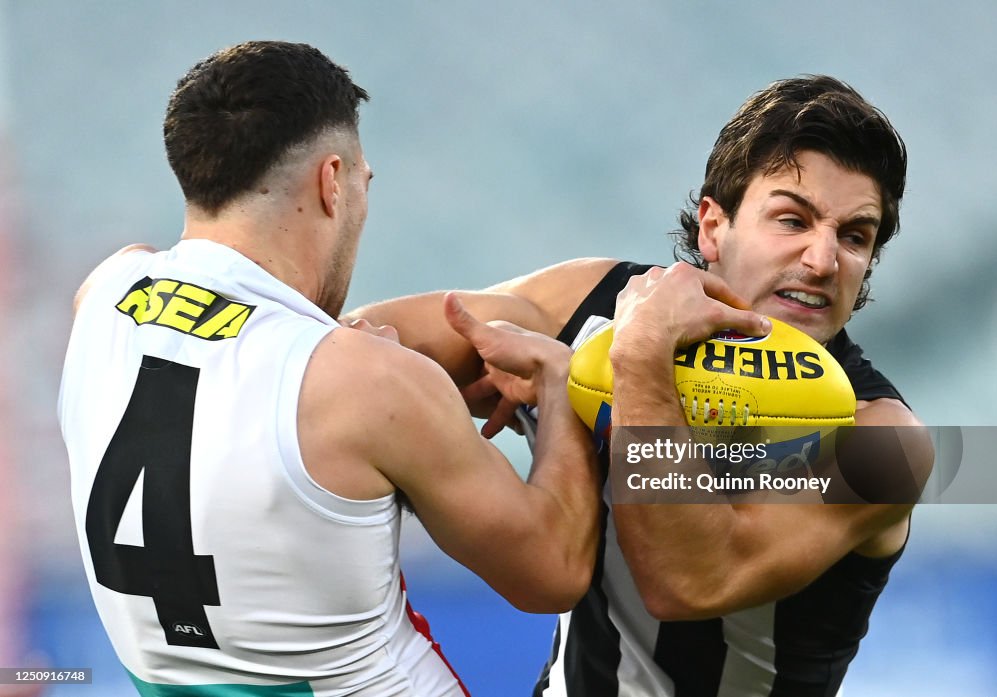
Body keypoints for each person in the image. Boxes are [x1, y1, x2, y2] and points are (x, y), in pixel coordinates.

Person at [349, 75, 934, 696]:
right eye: (792, 219)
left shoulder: (884, 443)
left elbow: (690, 581)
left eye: (854, 236)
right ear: (713, 226)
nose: (823, 261)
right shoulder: (595, 301)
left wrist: (621, 363)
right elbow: (356, 349)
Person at [58, 41, 601, 696]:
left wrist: (361, 362)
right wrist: (558, 384)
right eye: (364, 184)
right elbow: (555, 568)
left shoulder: (103, 295)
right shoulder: (366, 383)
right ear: (331, 180)